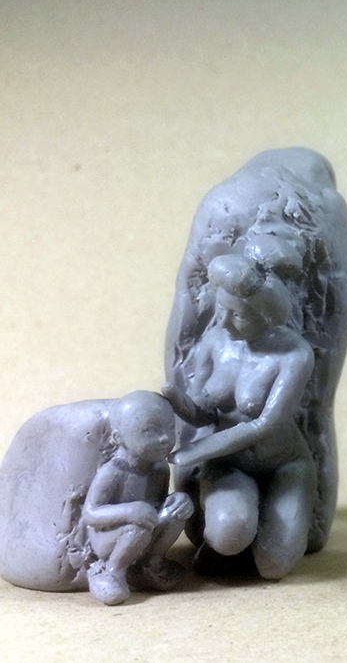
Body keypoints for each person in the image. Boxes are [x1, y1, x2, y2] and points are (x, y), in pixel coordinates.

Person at [164, 253, 316, 580]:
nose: (225, 323)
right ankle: (228, 544)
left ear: (266, 316)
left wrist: (199, 450)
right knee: (229, 532)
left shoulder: (294, 354)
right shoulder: (215, 341)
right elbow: (202, 412)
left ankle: (270, 532)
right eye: (222, 309)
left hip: (283, 463)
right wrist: (177, 401)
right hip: (229, 464)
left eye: (239, 315)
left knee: (274, 565)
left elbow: (264, 424)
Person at [82, 391, 193, 605]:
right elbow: (90, 514)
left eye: (170, 428)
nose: (165, 438)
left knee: (178, 507)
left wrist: (175, 504)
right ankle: (113, 571)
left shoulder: (159, 467)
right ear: (118, 438)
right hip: (111, 537)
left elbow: (157, 504)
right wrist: (129, 511)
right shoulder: (114, 471)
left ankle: (151, 564)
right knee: (137, 526)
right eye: (150, 431)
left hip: (145, 529)